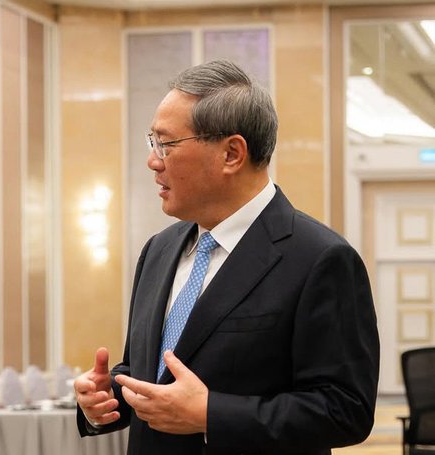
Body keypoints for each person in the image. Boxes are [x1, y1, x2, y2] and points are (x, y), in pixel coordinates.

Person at [73, 60, 379, 454]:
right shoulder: (159, 249)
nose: (153, 161)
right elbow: (152, 373)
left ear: (231, 153)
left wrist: (211, 414)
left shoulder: (321, 259)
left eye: (165, 144)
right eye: (151, 142)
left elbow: (345, 410)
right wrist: (107, 397)